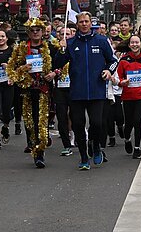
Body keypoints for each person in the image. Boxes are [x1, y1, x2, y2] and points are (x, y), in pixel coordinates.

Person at [54, 12, 117, 170]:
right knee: (78, 124)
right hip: (76, 92)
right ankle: (83, 157)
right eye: (81, 21)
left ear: (91, 23)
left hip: (97, 90)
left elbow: (113, 61)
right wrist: (61, 50)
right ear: (77, 24)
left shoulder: (101, 41)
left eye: (86, 21)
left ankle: (95, 147)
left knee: (96, 123)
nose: (83, 24)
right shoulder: (70, 42)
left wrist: (108, 71)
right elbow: (57, 63)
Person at [8, 19, 62, 168]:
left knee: (41, 121)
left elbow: (63, 65)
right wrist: (23, 69)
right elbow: (11, 70)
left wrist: (53, 73)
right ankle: (33, 145)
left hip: (44, 91)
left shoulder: (51, 47)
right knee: (30, 124)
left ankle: (39, 153)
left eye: (38, 29)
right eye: (33, 30)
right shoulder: (21, 49)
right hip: (26, 90)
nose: (36, 32)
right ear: (28, 32)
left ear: (43, 31)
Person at [52, 24, 76, 156]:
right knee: (61, 117)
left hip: (73, 87)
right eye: (62, 34)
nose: (65, 37)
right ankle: (66, 144)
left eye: (67, 34)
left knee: (75, 116)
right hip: (60, 87)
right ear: (58, 36)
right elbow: (52, 64)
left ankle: (76, 136)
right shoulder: (54, 49)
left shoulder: (75, 48)